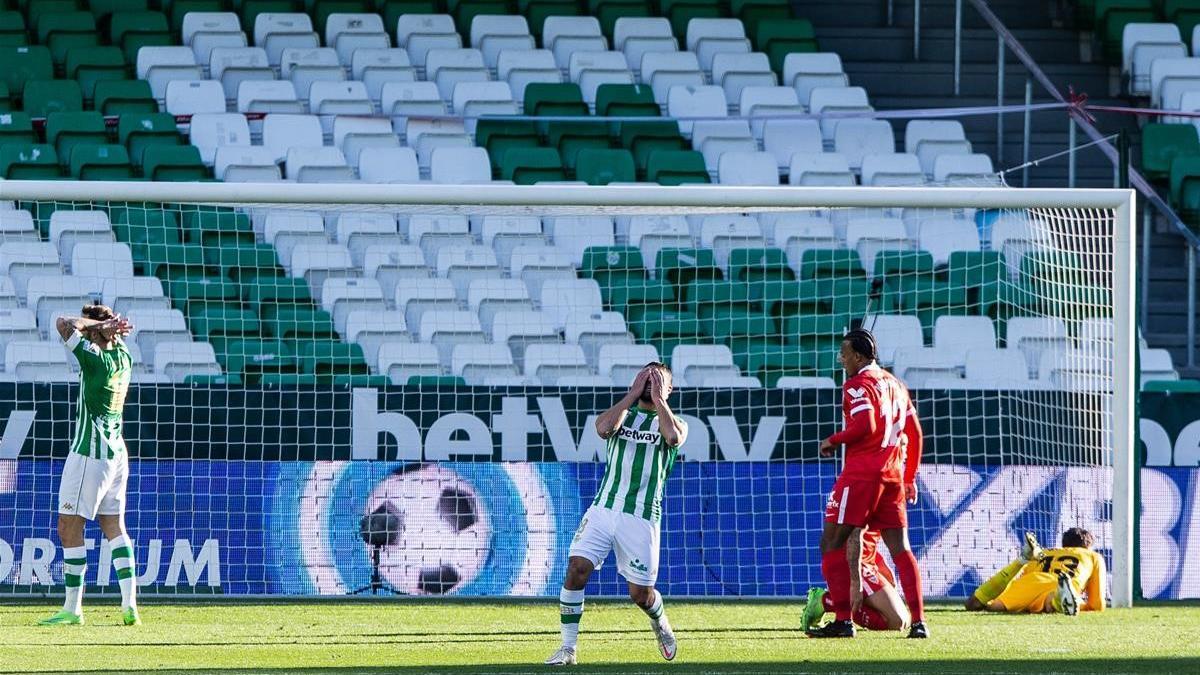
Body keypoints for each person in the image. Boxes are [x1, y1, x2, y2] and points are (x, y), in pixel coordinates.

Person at [544, 362, 688, 666]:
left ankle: (659, 620)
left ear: (669, 389)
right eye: (645, 377)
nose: (650, 383)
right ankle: (568, 649)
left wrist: (659, 400)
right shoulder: (624, 415)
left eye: (657, 379)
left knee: (640, 595)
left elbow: (673, 438)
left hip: (641, 516)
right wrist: (631, 394)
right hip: (604, 508)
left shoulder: (675, 422)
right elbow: (602, 428)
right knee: (576, 569)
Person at [807, 328, 927, 639]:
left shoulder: (856, 385)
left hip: (862, 475)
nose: (840, 359)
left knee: (831, 542)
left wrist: (834, 439)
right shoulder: (897, 385)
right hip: (892, 477)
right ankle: (919, 623)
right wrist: (910, 477)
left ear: (859, 357)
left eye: (844, 354)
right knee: (901, 548)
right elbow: (914, 435)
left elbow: (866, 424)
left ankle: (843, 620)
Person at [39, 303, 140, 627]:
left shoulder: (94, 360)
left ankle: (73, 608)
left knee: (69, 527)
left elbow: (62, 323)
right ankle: (129, 606)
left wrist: (96, 326)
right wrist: (108, 326)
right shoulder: (124, 357)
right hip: (117, 454)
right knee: (114, 527)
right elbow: (103, 334)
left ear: (95, 332)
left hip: (89, 454)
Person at [966, 529, 1106, 615]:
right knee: (1051, 603)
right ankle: (1059, 599)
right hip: (1062, 585)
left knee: (977, 605)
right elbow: (1096, 605)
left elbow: (1025, 580)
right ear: (1088, 547)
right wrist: (1083, 605)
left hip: (1030, 582)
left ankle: (1021, 560)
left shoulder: (1043, 553)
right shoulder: (1093, 556)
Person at [802, 528, 910, 632]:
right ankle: (825, 600)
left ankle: (838, 600)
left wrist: (880, 564)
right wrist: (855, 580)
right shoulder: (868, 509)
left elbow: (866, 538)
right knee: (897, 622)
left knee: (905, 621)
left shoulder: (882, 511)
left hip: (865, 562)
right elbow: (852, 534)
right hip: (854, 564)